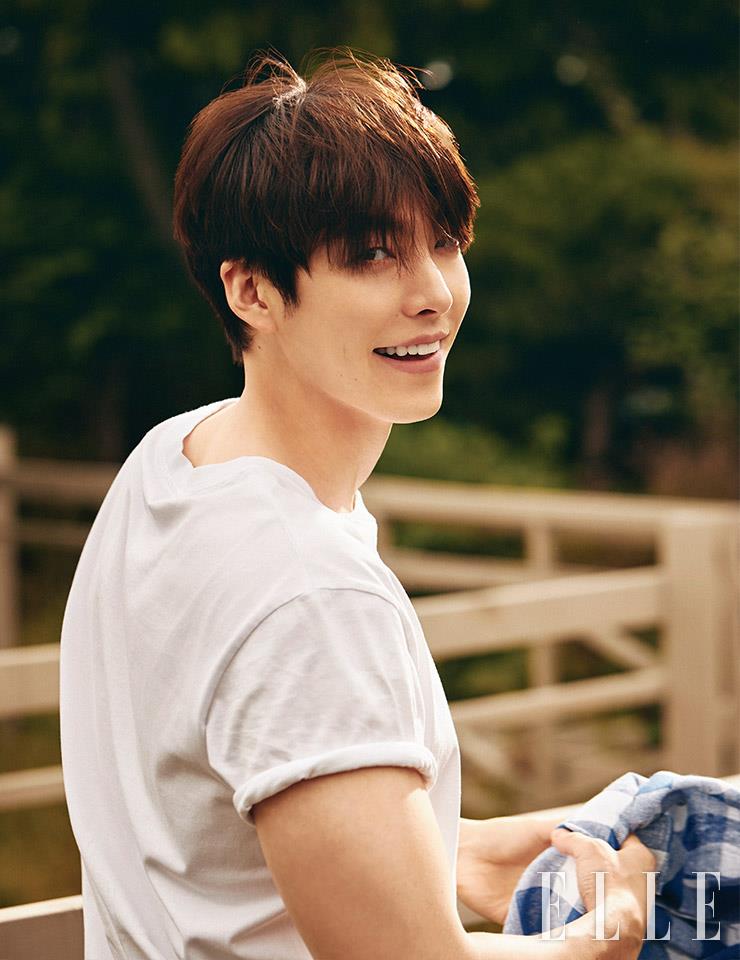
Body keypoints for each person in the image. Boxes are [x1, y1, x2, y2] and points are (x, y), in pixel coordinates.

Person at [59, 50, 654, 959]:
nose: (433, 294)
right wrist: (604, 937)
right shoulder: (309, 595)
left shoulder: (171, 462)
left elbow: (208, 836)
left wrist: (457, 853)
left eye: (445, 242)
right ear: (252, 290)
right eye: (373, 255)